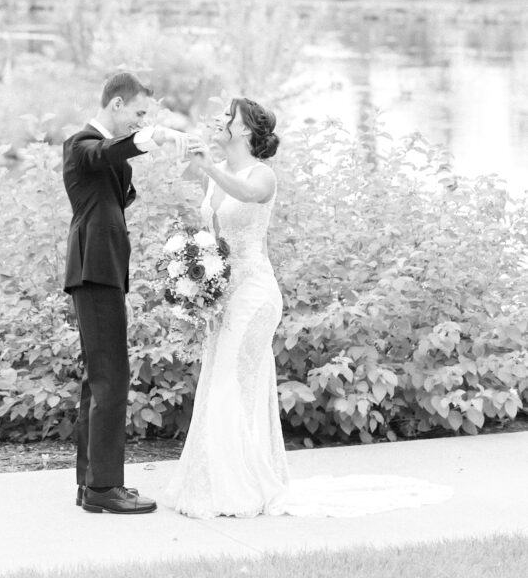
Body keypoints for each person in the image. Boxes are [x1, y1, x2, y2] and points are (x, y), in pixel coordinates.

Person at [164, 97, 453, 519]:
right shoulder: (215, 175)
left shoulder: (262, 175)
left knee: (229, 379)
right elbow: (212, 236)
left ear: (244, 130)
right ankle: (216, 480)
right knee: (218, 380)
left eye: (229, 118)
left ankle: (236, 488)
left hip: (256, 295)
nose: (221, 122)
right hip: (225, 297)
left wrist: (210, 165)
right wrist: (196, 279)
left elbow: (248, 195)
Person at [63, 70, 187, 516]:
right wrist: (153, 137)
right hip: (95, 273)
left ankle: (90, 485)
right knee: (112, 379)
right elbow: (105, 152)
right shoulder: (80, 145)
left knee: (98, 382)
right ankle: (106, 488)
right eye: (137, 113)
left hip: (103, 272)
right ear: (116, 105)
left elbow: (115, 174)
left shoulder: (105, 153)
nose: (139, 122)